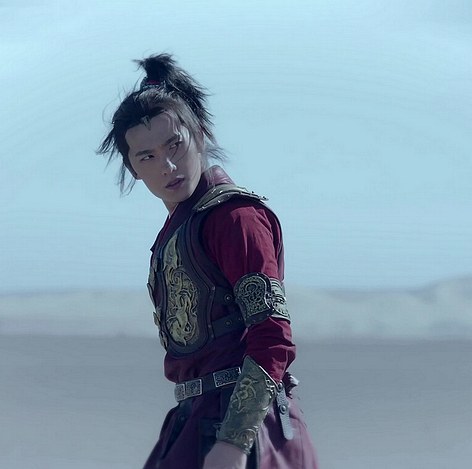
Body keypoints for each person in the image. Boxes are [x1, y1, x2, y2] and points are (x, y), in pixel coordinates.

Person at [98, 53, 319, 469]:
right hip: (194, 419)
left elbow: (272, 335)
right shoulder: (180, 227)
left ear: (198, 135)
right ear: (133, 169)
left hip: (248, 429)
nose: (167, 166)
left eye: (174, 145)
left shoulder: (234, 218)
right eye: (147, 156)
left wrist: (234, 441)